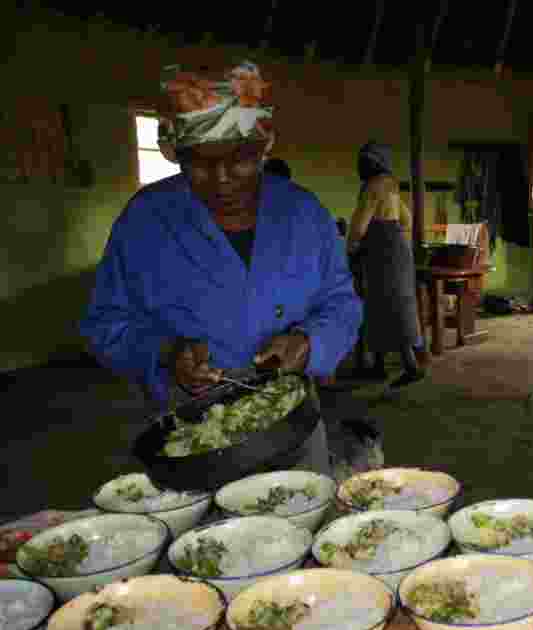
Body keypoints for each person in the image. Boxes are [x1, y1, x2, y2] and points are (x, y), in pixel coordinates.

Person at [80, 59, 363, 478]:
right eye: (200, 162)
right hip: (190, 435)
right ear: (176, 153)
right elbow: (105, 325)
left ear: (265, 148)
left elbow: (342, 305)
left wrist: (308, 342)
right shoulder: (146, 221)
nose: (222, 177)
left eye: (240, 159)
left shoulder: (304, 214)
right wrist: (166, 352)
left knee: (300, 522)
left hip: (292, 424)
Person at [346, 141, 426, 390]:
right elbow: (406, 219)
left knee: (381, 306)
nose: (361, 166)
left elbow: (359, 226)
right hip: (399, 249)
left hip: (380, 252)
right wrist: (393, 236)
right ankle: (393, 365)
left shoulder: (371, 187)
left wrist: (351, 249)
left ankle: (404, 367)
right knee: (397, 305)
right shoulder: (391, 186)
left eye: (364, 161)